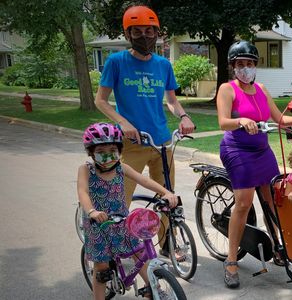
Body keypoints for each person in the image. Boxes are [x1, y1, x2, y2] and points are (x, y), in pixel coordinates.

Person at [94, 5, 195, 256]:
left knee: (167, 197)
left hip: (161, 143)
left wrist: (183, 116)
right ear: (128, 35)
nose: (145, 36)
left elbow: (171, 100)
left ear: (157, 32)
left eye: (149, 30)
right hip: (131, 144)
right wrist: (123, 123)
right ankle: (112, 246)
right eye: (137, 31)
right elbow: (100, 100)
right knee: (119, 199)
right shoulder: (116, 62)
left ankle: (167, 244)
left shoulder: (163, 65)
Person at [217, 40, 292, 288]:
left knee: (274, 198)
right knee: (244, 202)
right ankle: (230, 261)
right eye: (240, 64)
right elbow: (222, 122)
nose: (246, 68)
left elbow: (279, 118)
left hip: (262, 150)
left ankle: (278, 246)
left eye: (250, 63)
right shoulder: (227, 89)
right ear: (233, 66)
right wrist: (241, 120)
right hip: (237, 149)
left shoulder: (260, 88)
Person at [77, 123, 178, 300]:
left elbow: (144, 181)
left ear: (119, 149)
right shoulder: (86, 170)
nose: (108, 154)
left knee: (139, 252)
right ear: (91, 152)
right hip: (97, 225)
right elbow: (82, 191)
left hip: (122, 221)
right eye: (101, 150)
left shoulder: (120, 168)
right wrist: (92, 211)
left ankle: (151, 288)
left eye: (112, 149)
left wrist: (166, 192)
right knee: (102, 269)